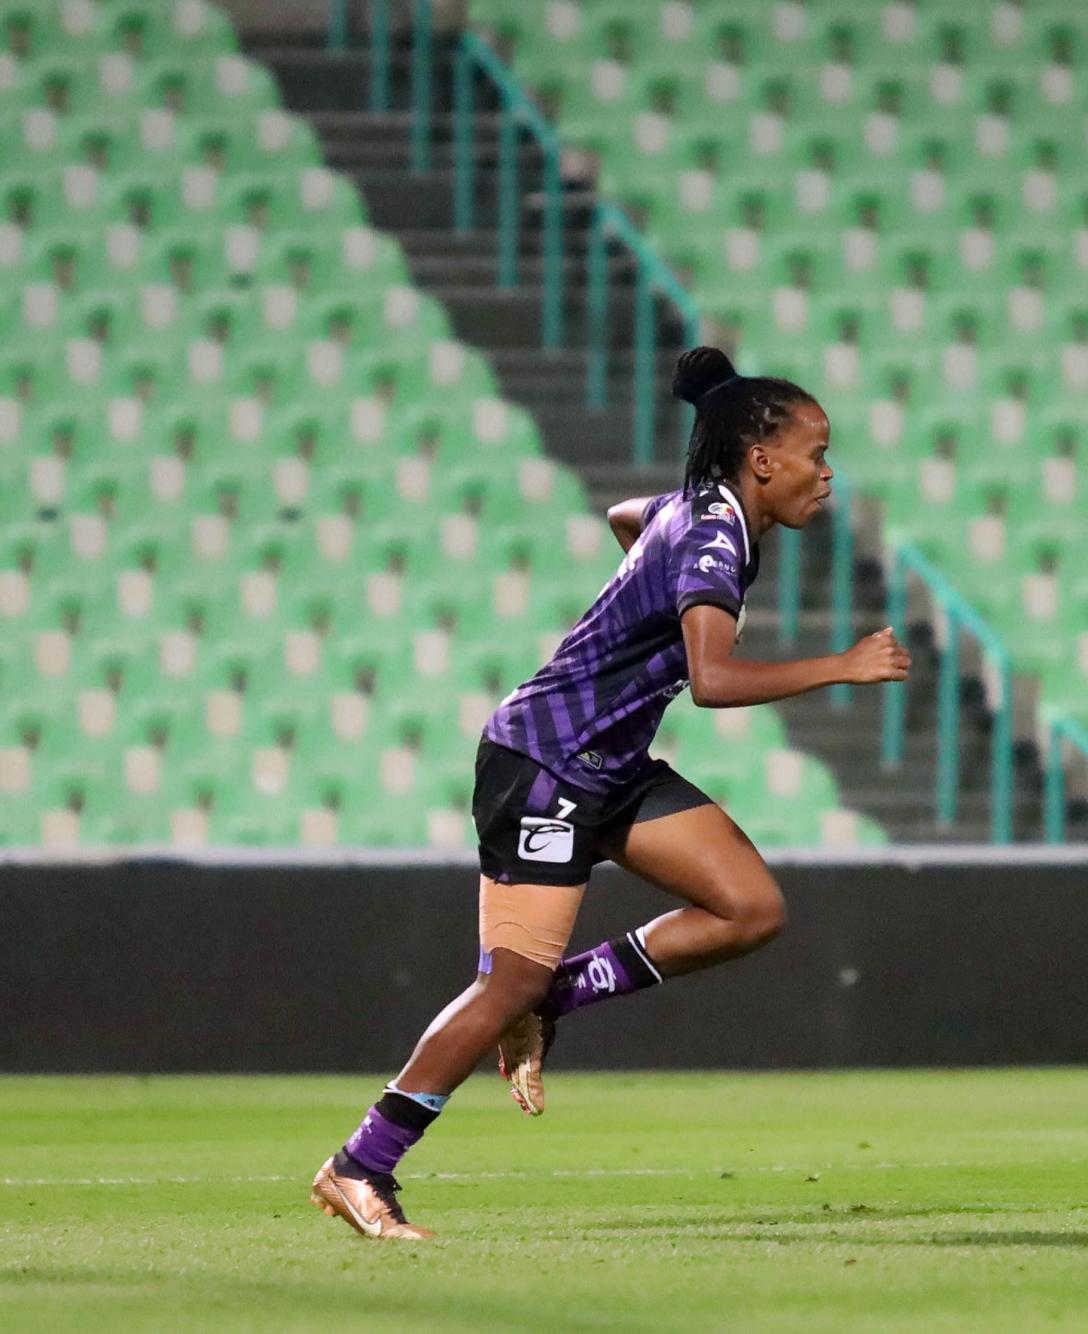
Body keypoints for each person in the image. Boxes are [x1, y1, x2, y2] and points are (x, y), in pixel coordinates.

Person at [310, 347, 911, 1240]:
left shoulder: (701, 513)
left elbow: (626, 515)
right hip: (546, 763)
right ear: (760, 459)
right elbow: (710, 680)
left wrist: (645, 594)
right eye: (816, 452)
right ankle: (361, 1165)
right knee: (500, 984)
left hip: (611, 765)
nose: (826, 473)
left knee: (747, 908)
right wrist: (843, 666)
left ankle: (554, 998)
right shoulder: (714, 534)